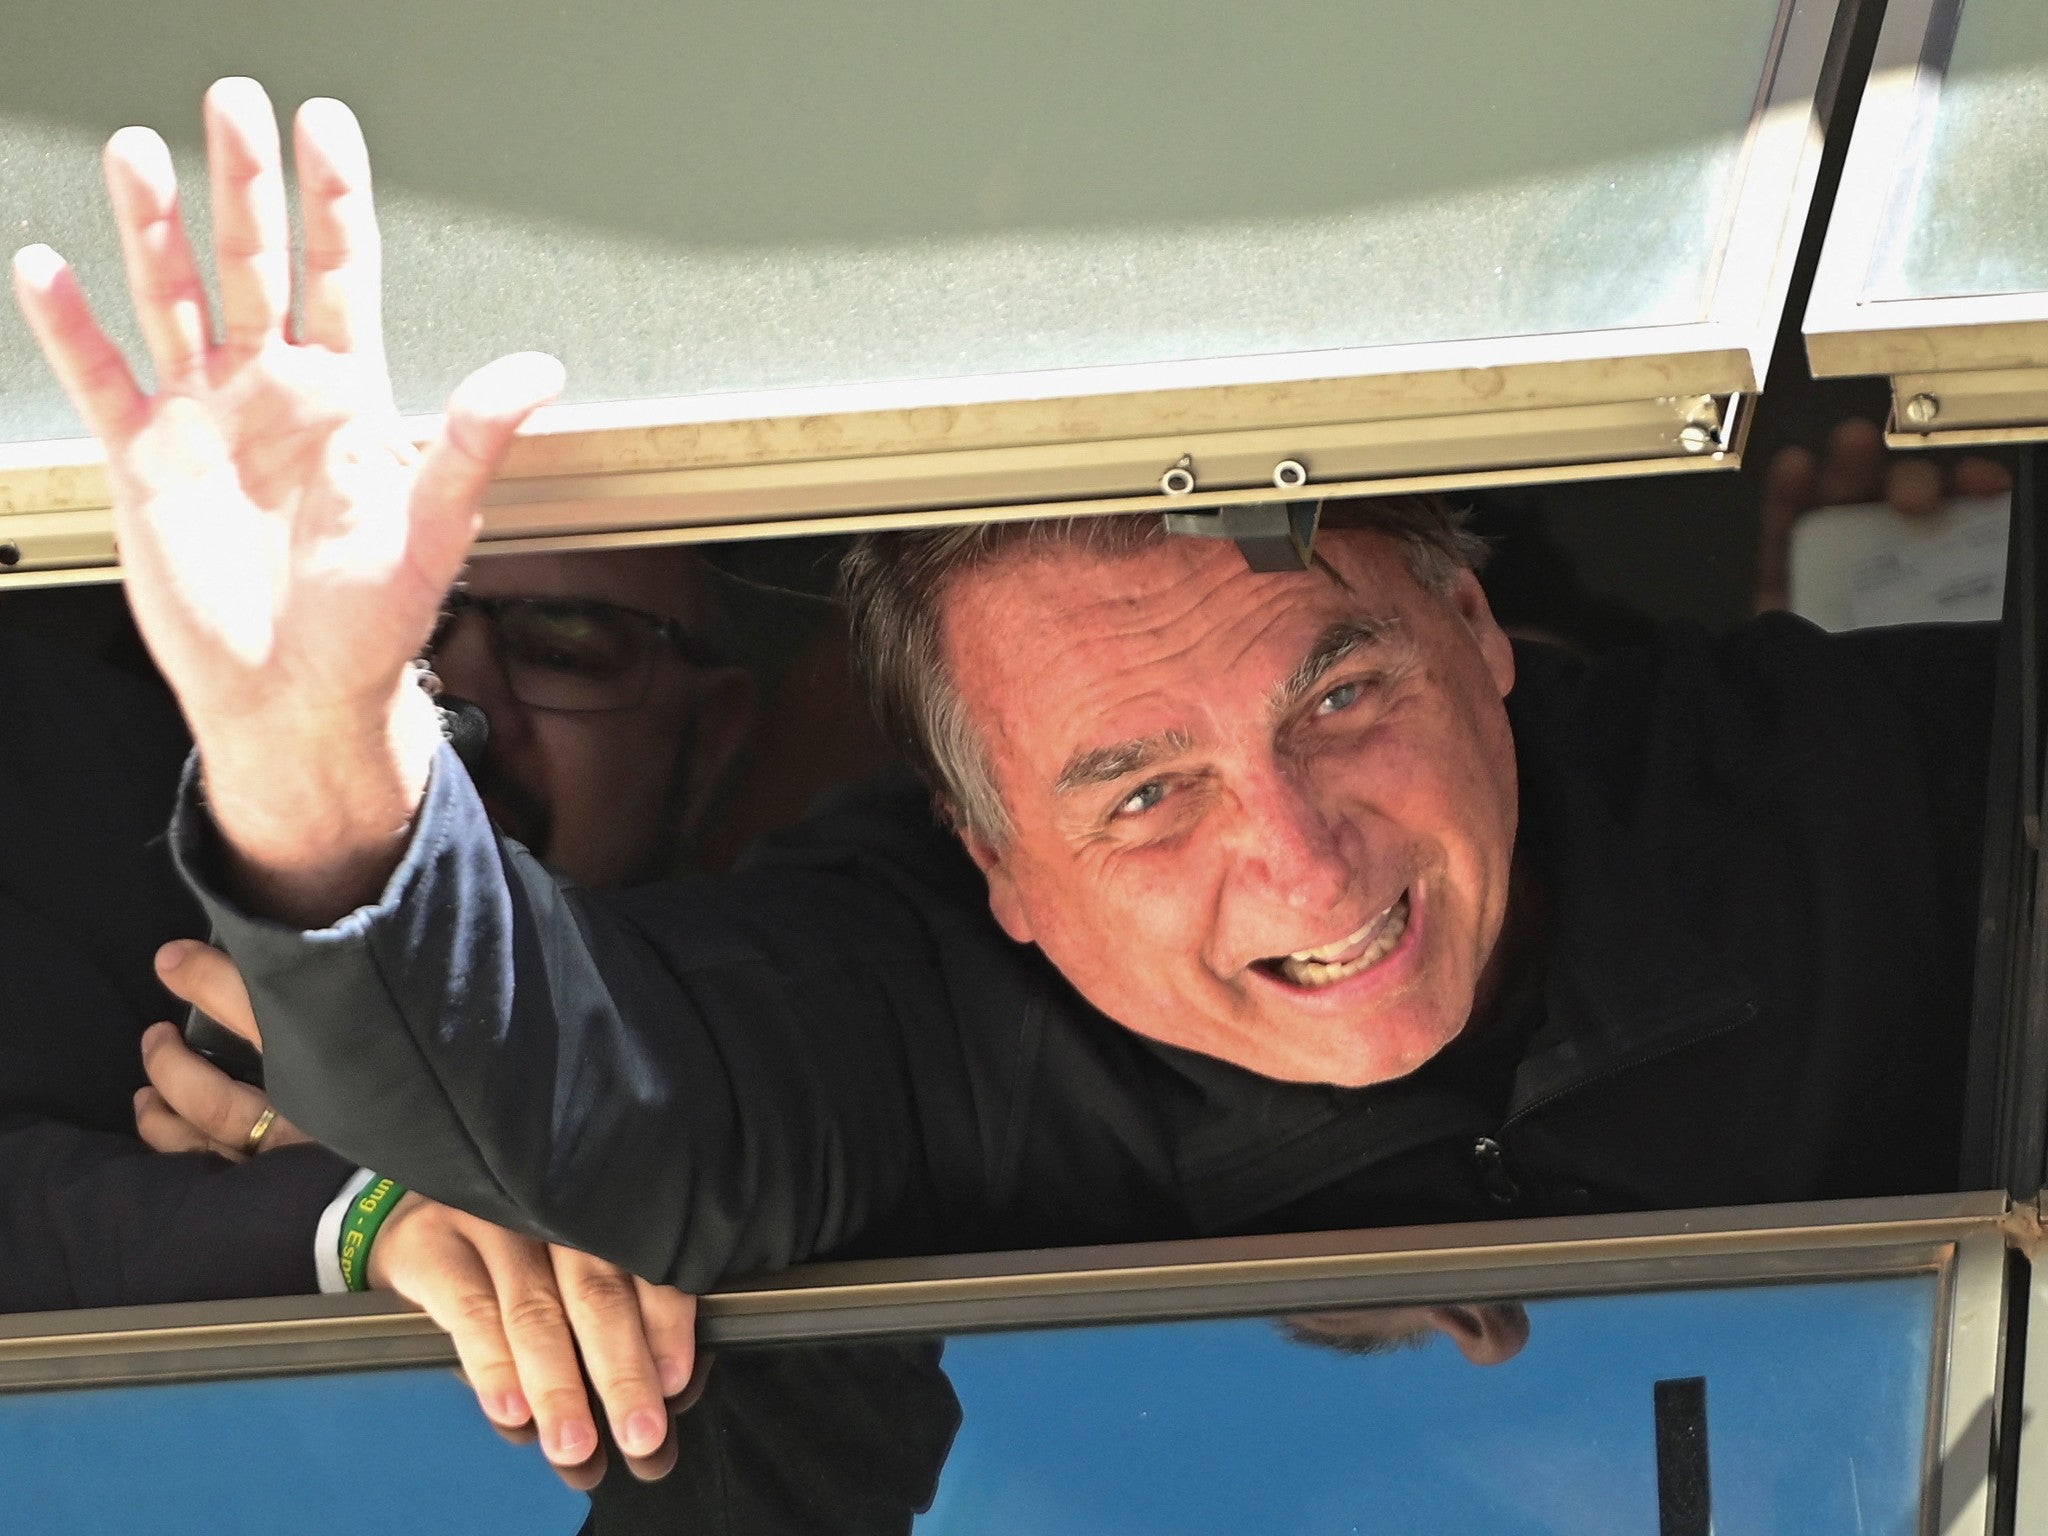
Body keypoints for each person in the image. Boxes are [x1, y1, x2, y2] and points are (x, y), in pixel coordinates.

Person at [10, 78, 1997, 1470]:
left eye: (1337, 700)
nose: (1304, 872)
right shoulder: (904, 991)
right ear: (992, 859)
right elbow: (584, 1094)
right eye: (1143, 793)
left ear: (1481, 637)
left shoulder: (1842, 792)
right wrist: (315, 734)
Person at [1, 537, 752, 1482]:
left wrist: (400, 1138)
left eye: (565, 647)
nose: (458, 695)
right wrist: (351, 1209)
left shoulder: (816, 1072)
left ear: (712, 738)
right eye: (386, 624)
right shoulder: (96, 951)